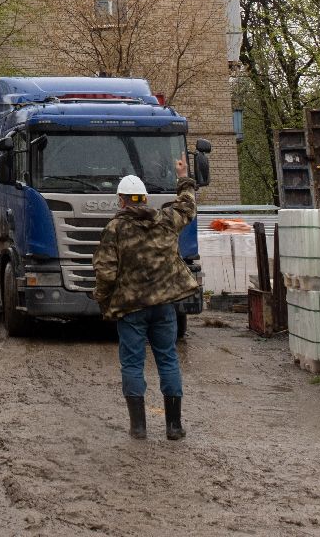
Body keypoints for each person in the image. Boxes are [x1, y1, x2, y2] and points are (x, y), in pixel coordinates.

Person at [92, 158, 197, 441]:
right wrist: (183, 176)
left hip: (130, 309)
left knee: (132, 364)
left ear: (121, 201)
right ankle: (174, 426)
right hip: (164, 307)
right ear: (146, 199)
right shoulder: (165, 222)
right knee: (168, 360)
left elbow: (105, 272)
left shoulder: (115, 229)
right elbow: (187, 205)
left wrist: (103, 301)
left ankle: (138, 427)